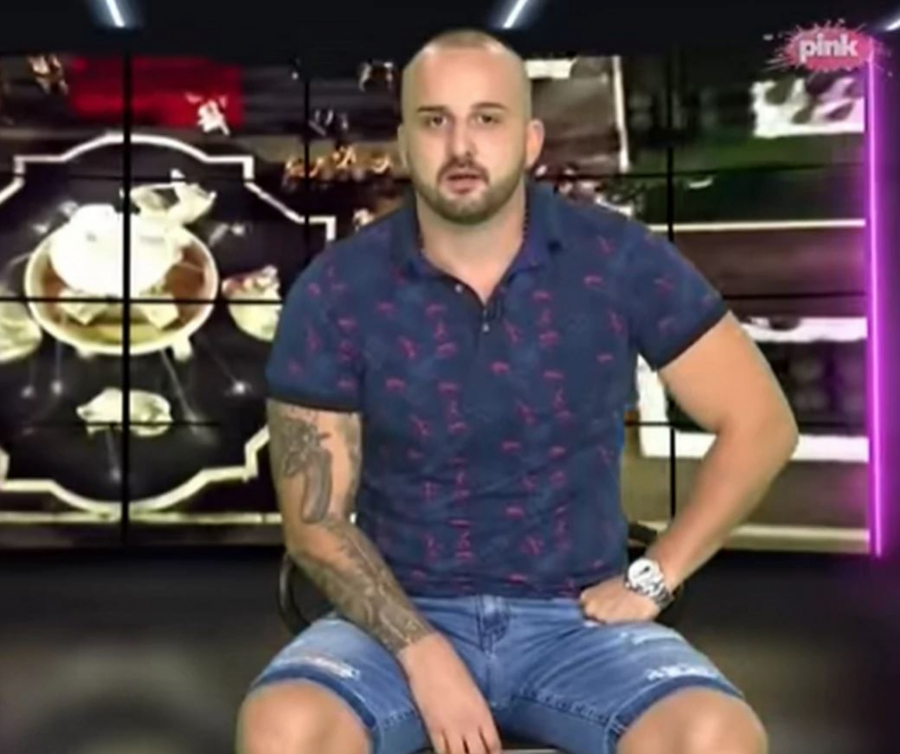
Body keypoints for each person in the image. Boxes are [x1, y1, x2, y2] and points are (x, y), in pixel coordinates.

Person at [238, 28, 797, 754]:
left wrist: (655, 577)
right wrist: (423, 653)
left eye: (487, 118)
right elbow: (315, 523)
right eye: (435, 121)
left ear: (531, 141)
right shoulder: (338, 288)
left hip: (579, 624)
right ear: (404, 144)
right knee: (282, 730)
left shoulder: (617, 258)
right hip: (396, 622)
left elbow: (759, 423)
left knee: (718, 738)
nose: (460, 146)